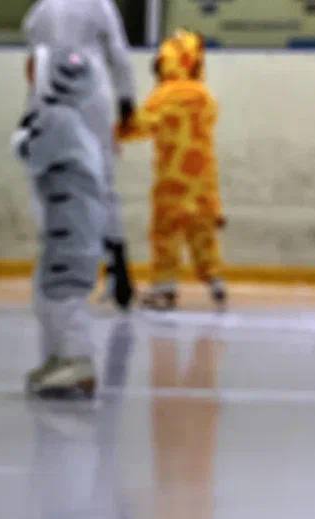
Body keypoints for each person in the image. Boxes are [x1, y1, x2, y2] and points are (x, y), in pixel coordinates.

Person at [22, 0, 137, 310]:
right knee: (102, 184)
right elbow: (118, 54)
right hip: (90, 98)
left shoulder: (41, 11)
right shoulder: (100, 5)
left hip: (47, 98)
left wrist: (31, 109)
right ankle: (118, 271)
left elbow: (33, 65)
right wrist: (127, 101)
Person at [13, 48, 106, 398]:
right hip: (71, 223)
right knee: (50, 292)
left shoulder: (56, 119)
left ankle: (77, 362)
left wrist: (23, 134)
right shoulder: (69, 117)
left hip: (71, 226)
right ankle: (61, 357)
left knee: (63, 294)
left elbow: (31, 154)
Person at [118, 29, 227, 311]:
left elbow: (140, 125)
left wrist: (116, 130)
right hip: (203, 181)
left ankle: (165, 289)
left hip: (172, 181)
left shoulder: (163, 96)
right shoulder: (205, 96)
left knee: (166, 234)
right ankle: (215, 280)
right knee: (203, 234)